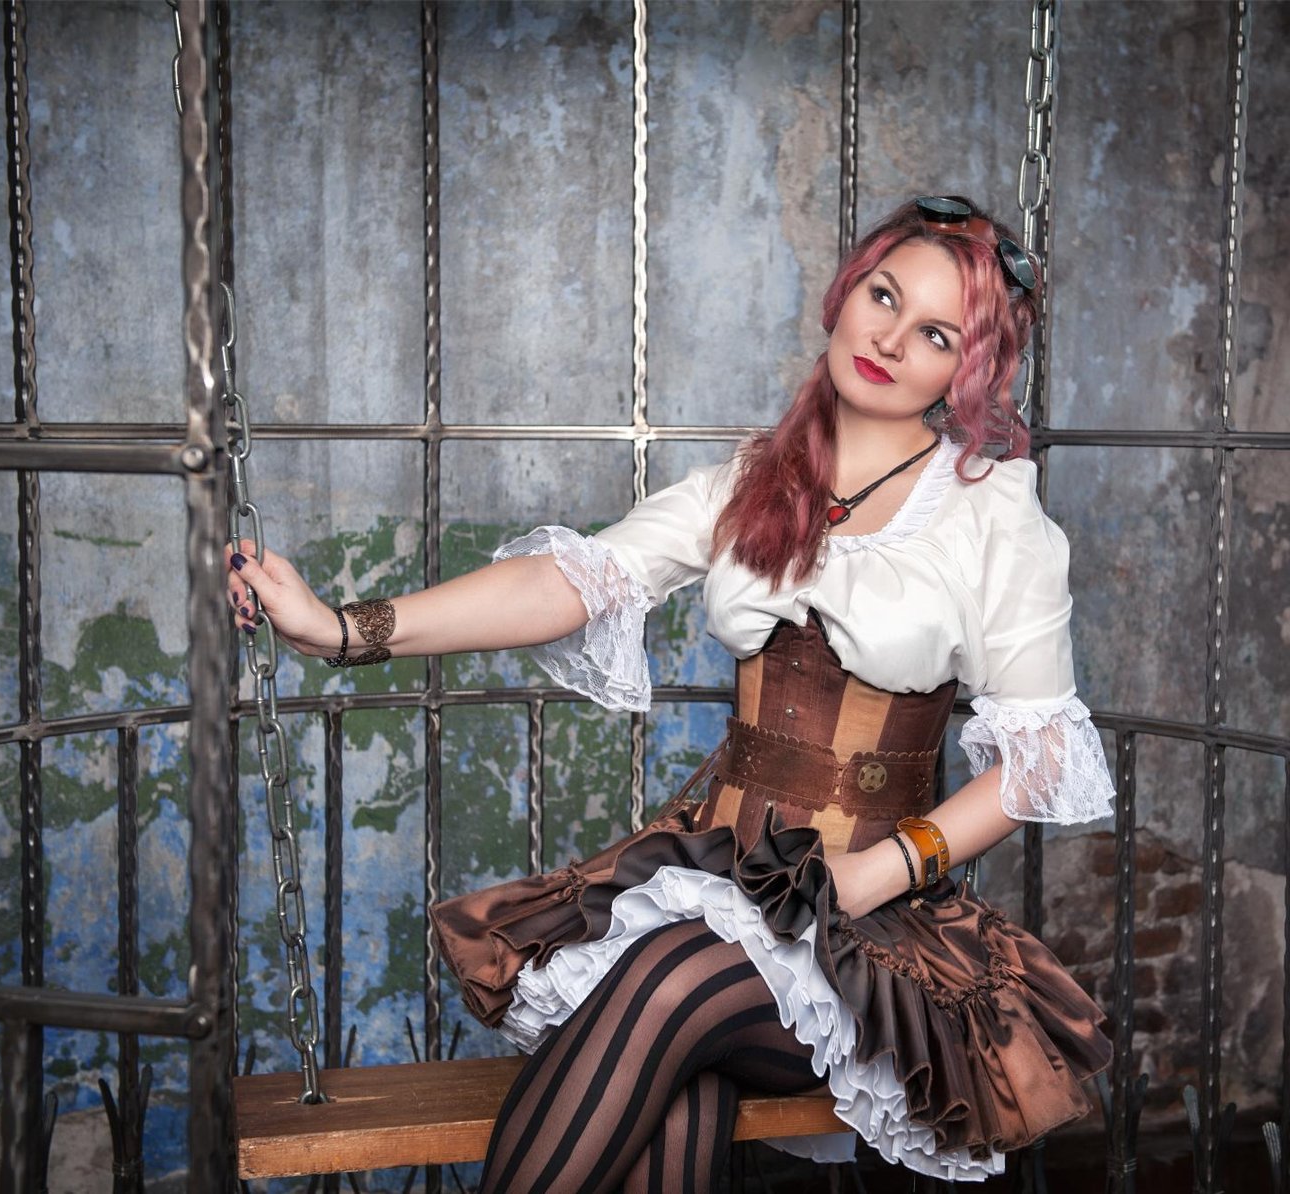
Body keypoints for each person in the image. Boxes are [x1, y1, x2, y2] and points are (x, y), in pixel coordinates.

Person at [227, 196, 1117, 1191]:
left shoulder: (993, 517)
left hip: (867, 935)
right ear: (846, 292)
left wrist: (880, 873)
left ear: (966, 369)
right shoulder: (754, 484)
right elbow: (572, 584)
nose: (889, 338)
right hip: (712, 885)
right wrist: (342, 629)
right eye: (882, 296)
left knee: (665, 987)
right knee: (674, 1091)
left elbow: (1038, 762)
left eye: (936, 333)